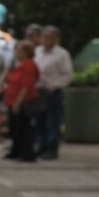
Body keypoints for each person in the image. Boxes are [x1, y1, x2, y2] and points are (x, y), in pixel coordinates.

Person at [34, 26, 73, 159]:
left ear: (56, 39)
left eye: (50, 38)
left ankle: (52, 148)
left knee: (53, 121)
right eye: (45, 37)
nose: (47, 41)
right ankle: (41, 145)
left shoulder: (62, 54)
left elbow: (67, 75)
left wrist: (54, 86)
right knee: (40, 120)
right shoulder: (37, 51)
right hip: (38, 90)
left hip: (53, 91)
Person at [4, 41, 41, 162]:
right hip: (12, 99)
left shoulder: (29, 65)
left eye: (19, 51)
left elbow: (26, 85)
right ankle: (16, 150)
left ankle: (27, 153)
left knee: (24, 128)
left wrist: (18, 102)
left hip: (24, 101)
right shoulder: (19, 65)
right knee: (15, 127)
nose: (16, 53)